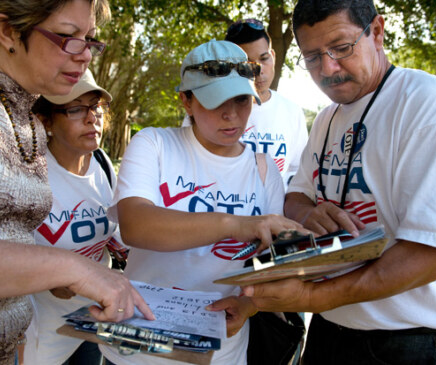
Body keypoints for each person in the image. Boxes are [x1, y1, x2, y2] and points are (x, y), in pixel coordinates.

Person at [242, 0, 436, 364]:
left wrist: (310, 299)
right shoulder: (327, 118)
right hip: (330, 329)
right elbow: (296, 194)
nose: (328, 68)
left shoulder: (429, 103)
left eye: (341, 48)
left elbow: (430, 255)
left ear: (376, 31)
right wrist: (309, 213)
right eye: (312, 57)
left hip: (407, 342)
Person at [0, 1, 153, 364]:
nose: (85, 55)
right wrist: (71, 267)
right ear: (7, 31)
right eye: (68, 37)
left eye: (89, 39)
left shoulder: (29, 120)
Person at [99, 39, 308, 365]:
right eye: (215, 101)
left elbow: (270, 260)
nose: (231, 114)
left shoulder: (264, 169)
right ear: (186, 100)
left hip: (220, 349)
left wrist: (249, 305)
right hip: (136, 346)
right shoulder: (155, 144)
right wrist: (236, 223)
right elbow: (136, 226)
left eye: (242, 100)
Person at [22, 69, 119, 365]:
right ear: (46, 120)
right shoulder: (29, 175)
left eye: (96, 107)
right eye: (76, 109)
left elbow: (114, 236)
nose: (92, 118)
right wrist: (54, 278)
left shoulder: (102, 164)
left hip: (92, 320)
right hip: (43, 333)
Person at [183, 20, 309, 187]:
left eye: (264, 59)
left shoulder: (292, 112)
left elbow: (298, 172)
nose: (259, 70)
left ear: (273, 55)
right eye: (248, 64)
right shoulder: (204, 110)